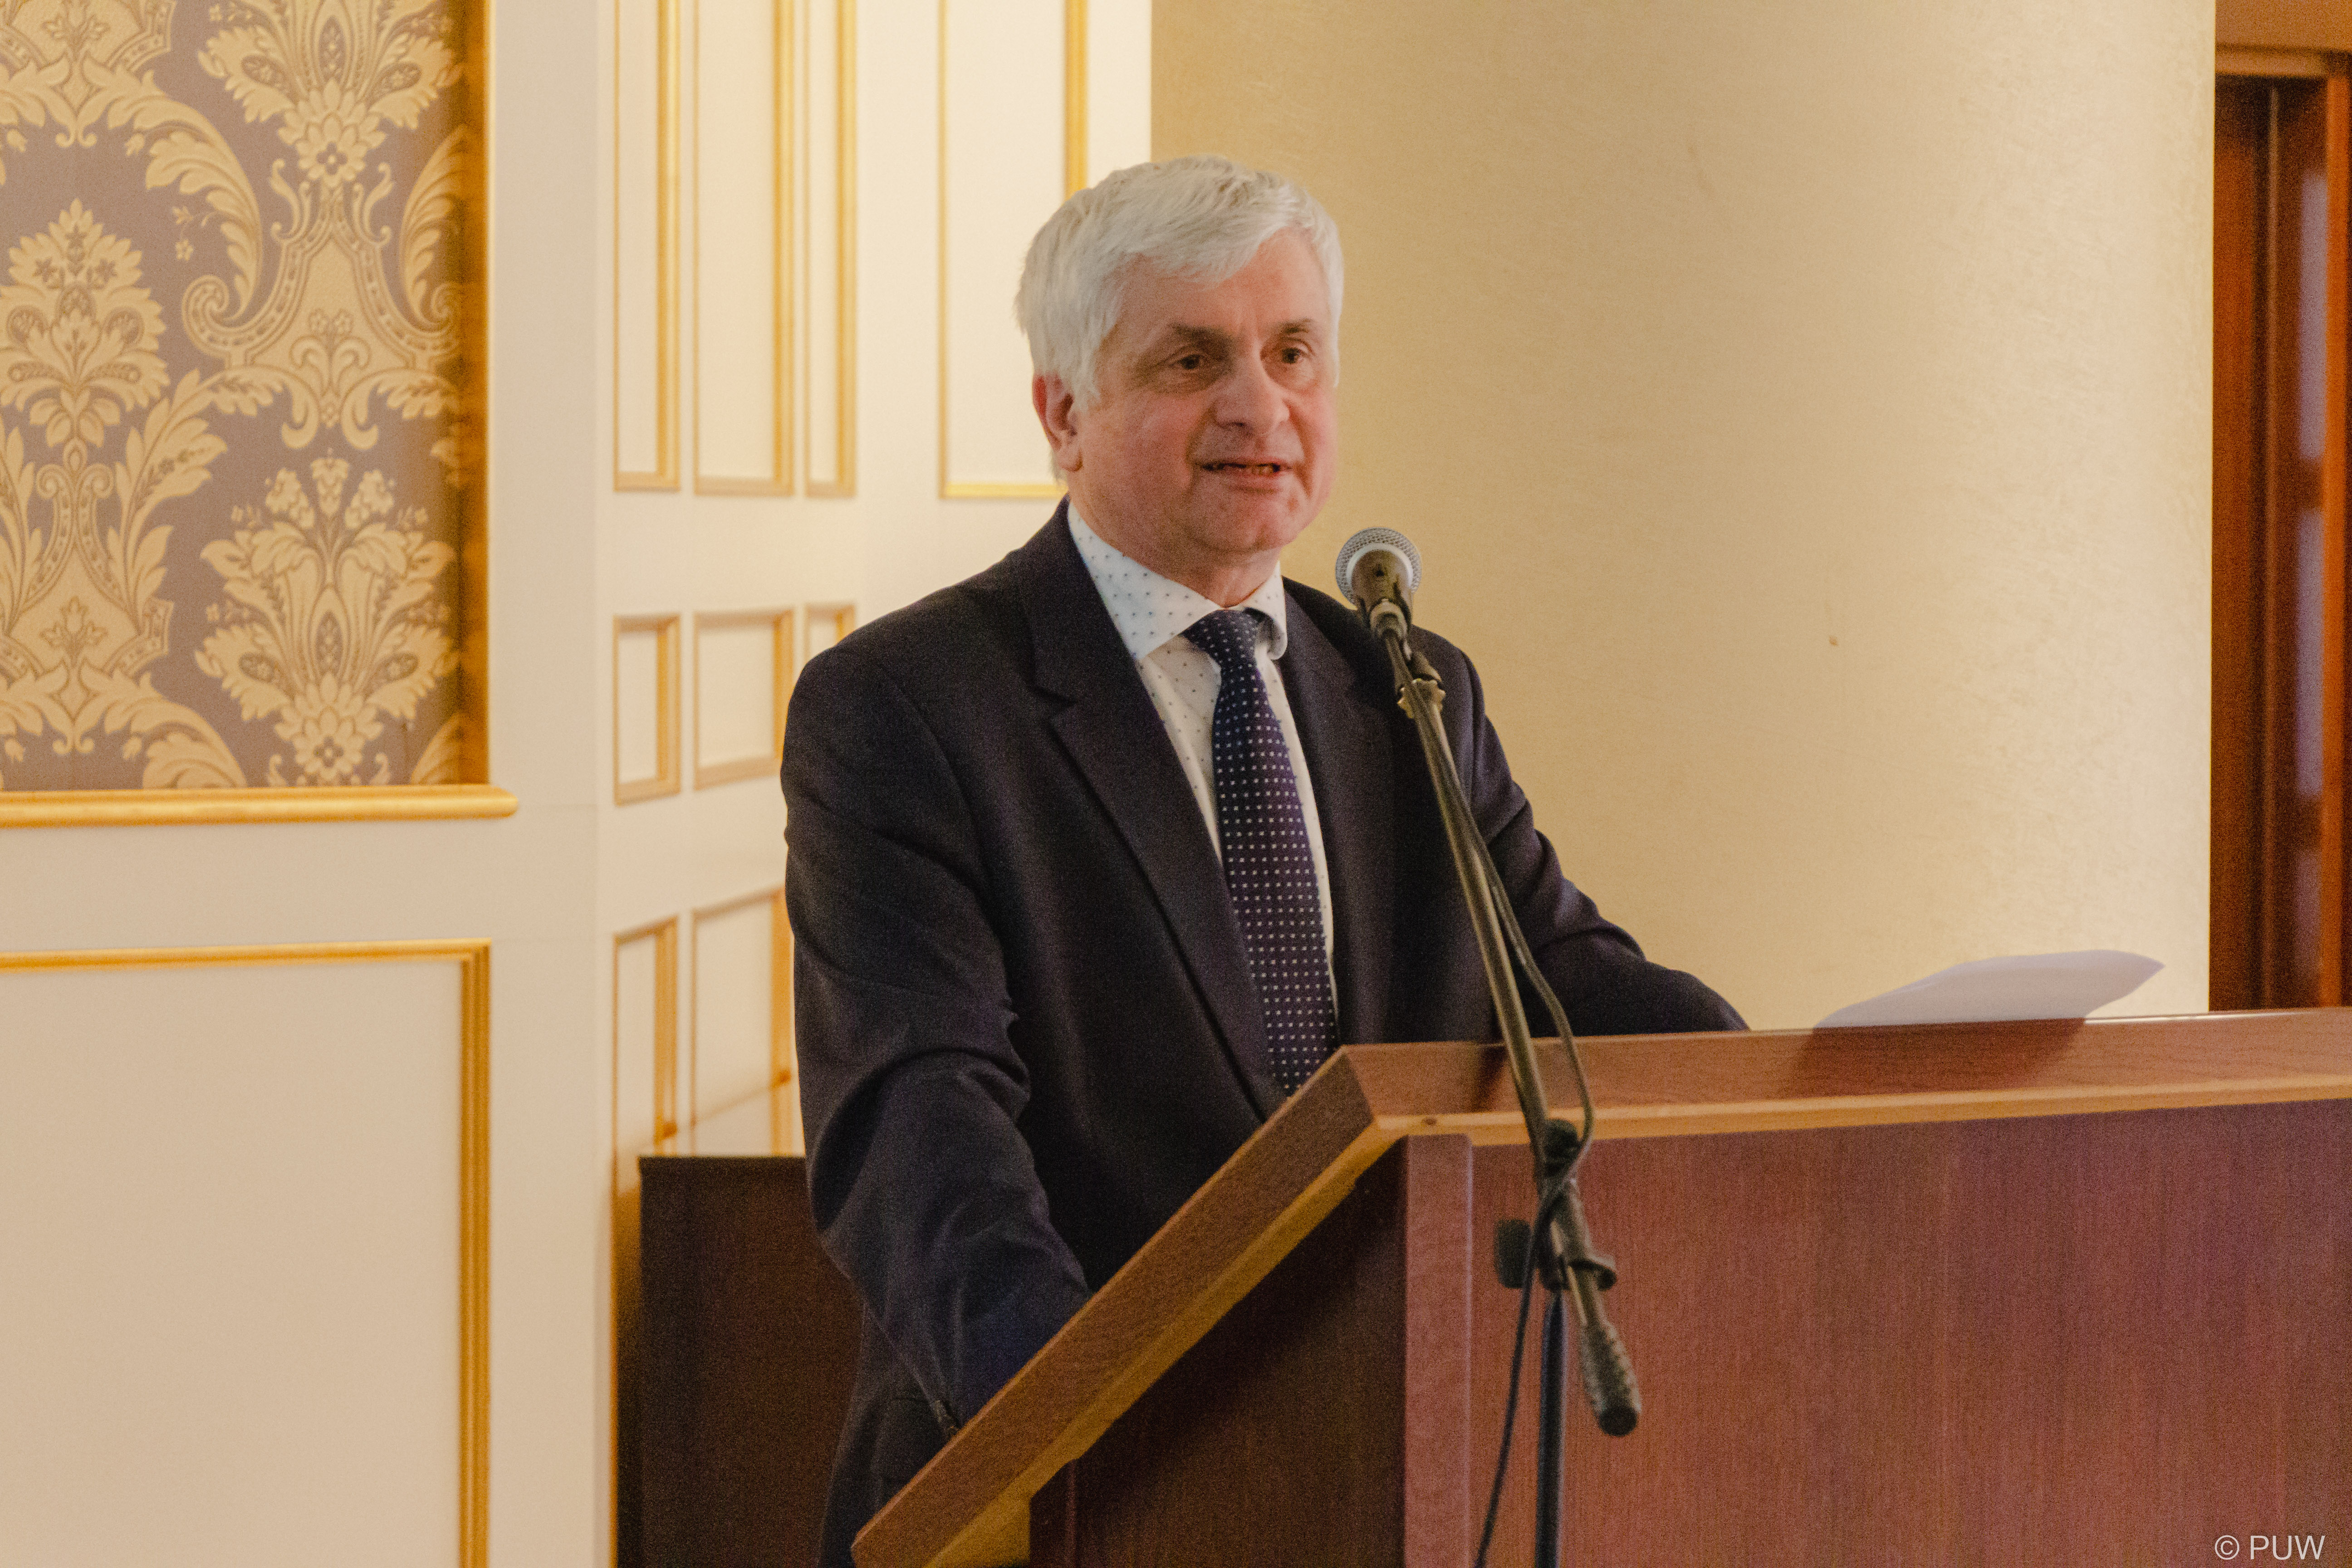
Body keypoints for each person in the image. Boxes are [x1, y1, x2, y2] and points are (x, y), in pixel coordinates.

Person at [782, 154, 1742, 1564]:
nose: (1260, 406)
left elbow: (1564, 982)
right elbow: (921, 1129)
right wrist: (1092, 1433)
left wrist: (1823, 1099)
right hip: (1076, 1487)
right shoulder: (908, 707)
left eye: (1294, 354)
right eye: (1193, 361)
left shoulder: (1406, 686)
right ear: (1063, 414)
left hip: (1396, 1456)